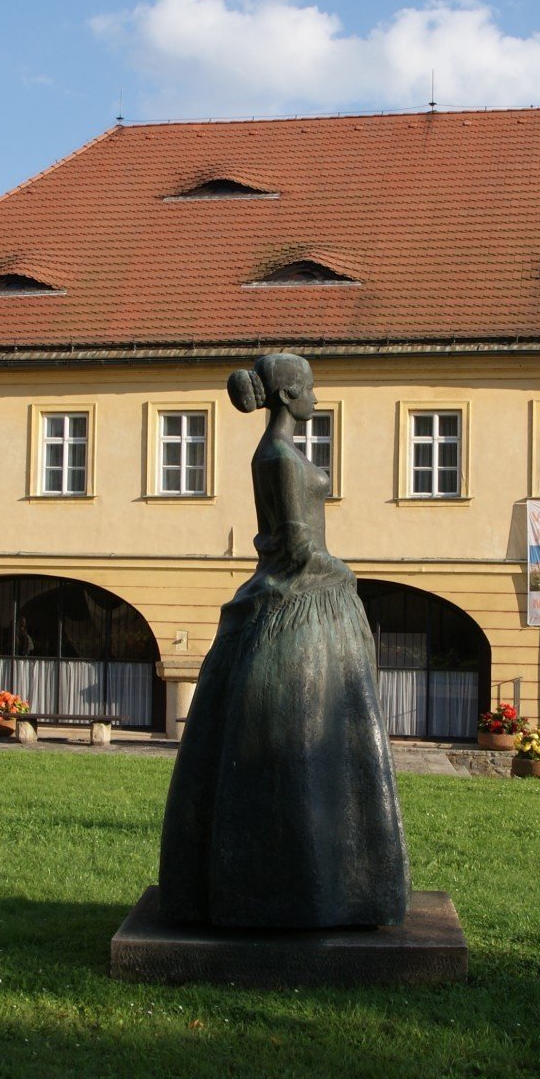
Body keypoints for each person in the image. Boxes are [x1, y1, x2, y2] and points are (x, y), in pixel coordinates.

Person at [158, 354, 410, 928]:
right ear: (291, 393)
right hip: (300, 600)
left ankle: (323, 883)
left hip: (291, 596)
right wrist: (345, 578)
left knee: (314, 741)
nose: (317, 399)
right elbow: (299, 548)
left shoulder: (277, 454)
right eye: (312, 389)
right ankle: (314, 885)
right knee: (306, 739)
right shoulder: (279, 458)